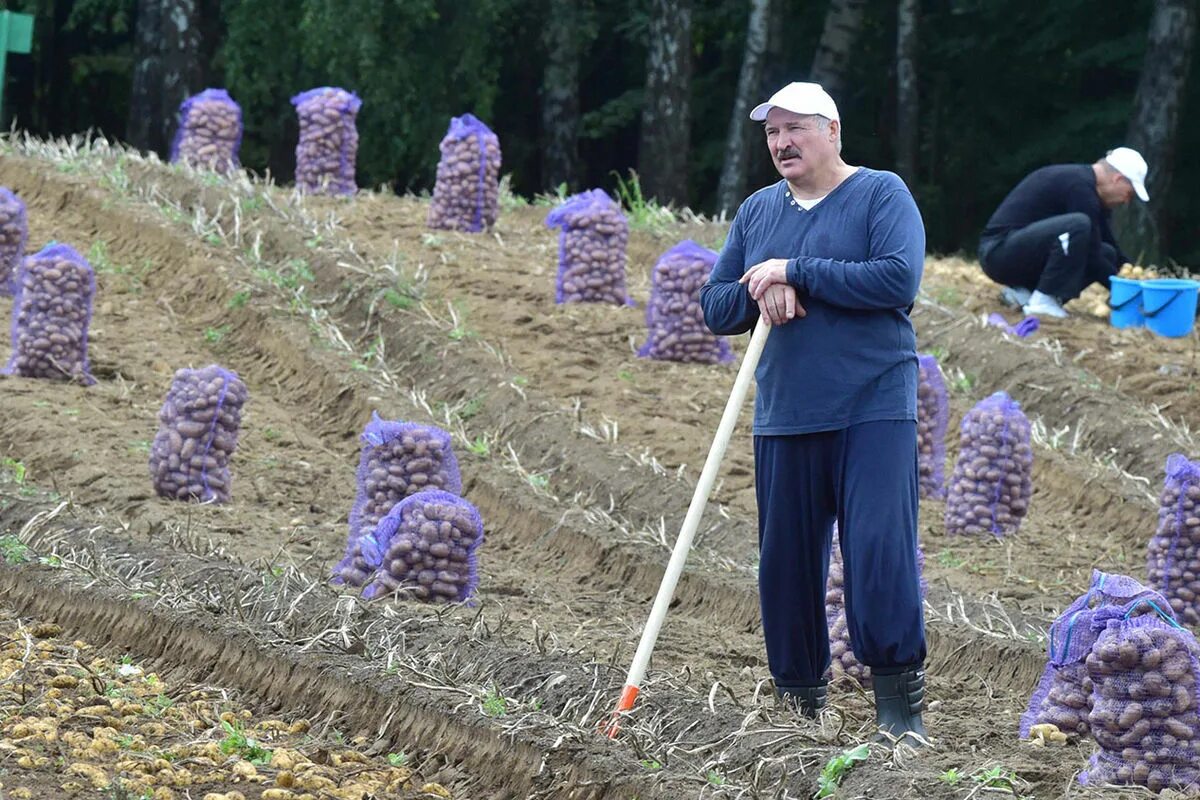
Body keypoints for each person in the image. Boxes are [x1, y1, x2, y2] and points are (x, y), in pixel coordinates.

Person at [699, 81, 928, 745]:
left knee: (878, 549)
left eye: (795, 128)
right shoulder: (757, 210)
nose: (781, 142)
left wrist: (796, 270)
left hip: (872, 403)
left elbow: (897, 278)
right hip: (787, 411)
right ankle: (799, 705)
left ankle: (900, 711)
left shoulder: (880, 194)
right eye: (772, 132)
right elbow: (715, 306)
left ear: (832, 130)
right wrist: (761, 285)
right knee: (786, 563)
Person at [977, 147, 1149, 319]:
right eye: (1129, 193)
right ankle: (1043, 301)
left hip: (1019, 252)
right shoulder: (1079, 187)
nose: (1126, 201)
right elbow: (1091, 252)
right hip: (997, 253)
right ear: (1117, 179)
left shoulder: (1088, 189)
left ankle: (1025, 295)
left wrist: (1133, 276)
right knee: (1078, 225)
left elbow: (1105, 243)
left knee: (1107, 253)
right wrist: (1121, 289)